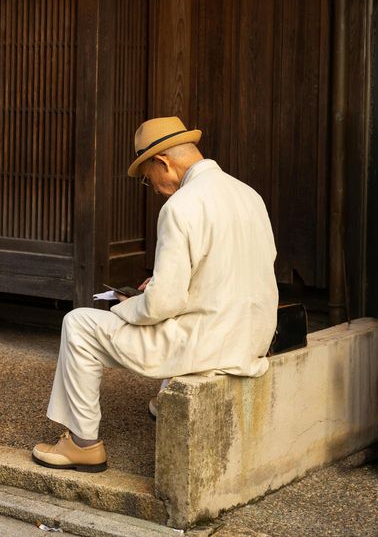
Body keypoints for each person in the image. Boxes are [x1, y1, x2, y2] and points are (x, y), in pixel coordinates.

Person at [32, 116, 279, 472]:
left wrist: (127, 305)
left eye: (149, 178)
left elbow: (163, 304)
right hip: (251, 340)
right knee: (171, 311)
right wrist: (162, 284)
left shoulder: (181, 206)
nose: (155, 188)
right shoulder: (249, 195)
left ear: (163, 162)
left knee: (79, 324)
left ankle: (83, 445)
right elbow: (233, 273)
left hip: (208, 345)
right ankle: (163, 404)